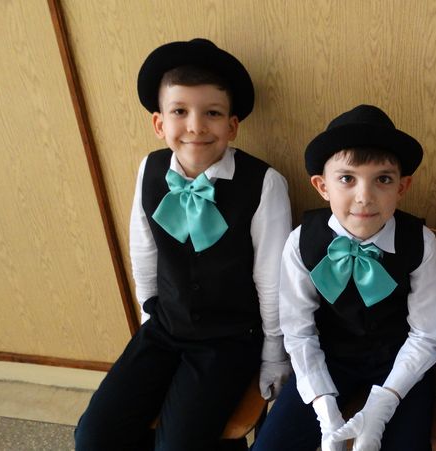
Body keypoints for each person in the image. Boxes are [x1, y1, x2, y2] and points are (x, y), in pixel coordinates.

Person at [74, 38, 292, 450]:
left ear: (232, 125)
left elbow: (272, 281)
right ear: (159, 123)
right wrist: (147, 320)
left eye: (212, 113)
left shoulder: (264, 183)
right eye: (180, 111)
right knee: (94, 435)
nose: (196, 126)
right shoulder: (150, 168)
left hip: (229, 338)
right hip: (165, 328)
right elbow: (144, 252)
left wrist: (273, 354)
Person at [252, 104, 436, 451]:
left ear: (402, 186)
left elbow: (426, 334)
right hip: (328, 359)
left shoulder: (421, 242)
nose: (364, 197)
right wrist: (323, 404)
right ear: (322, 185)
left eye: (383, 179)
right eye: (347, 179)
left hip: (401, 362)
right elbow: (298, 331)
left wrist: (385, 401)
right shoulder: (301, 242)